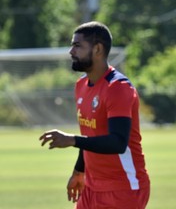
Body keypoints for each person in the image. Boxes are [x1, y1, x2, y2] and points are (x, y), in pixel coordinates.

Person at [39, 21, 150, 209]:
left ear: (97, 49)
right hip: (91, 187)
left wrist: (72, 140)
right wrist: (78, 171)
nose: (71, 52)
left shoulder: (118, 88)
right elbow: (90, 135)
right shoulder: (81, 86)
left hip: (123, 188)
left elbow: (118, 142)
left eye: (77, 46)